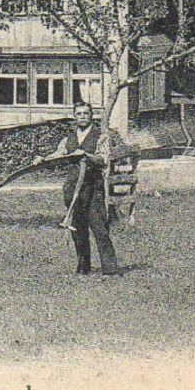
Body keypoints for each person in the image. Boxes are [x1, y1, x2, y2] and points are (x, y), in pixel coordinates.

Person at [46, 101, 122, 276]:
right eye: (79, 113)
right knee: (77, 229)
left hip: (93, 188)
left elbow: (103, 159)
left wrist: (87, 156)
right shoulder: (68, 139)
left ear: (91, 116)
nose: (82, 116)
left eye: (86, 113)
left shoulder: (100, 137)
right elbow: (59, 154)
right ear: (74, 116)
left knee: (99, 228)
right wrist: (42, 159)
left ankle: (110, 269)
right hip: (73, 189)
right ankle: (83, 266)